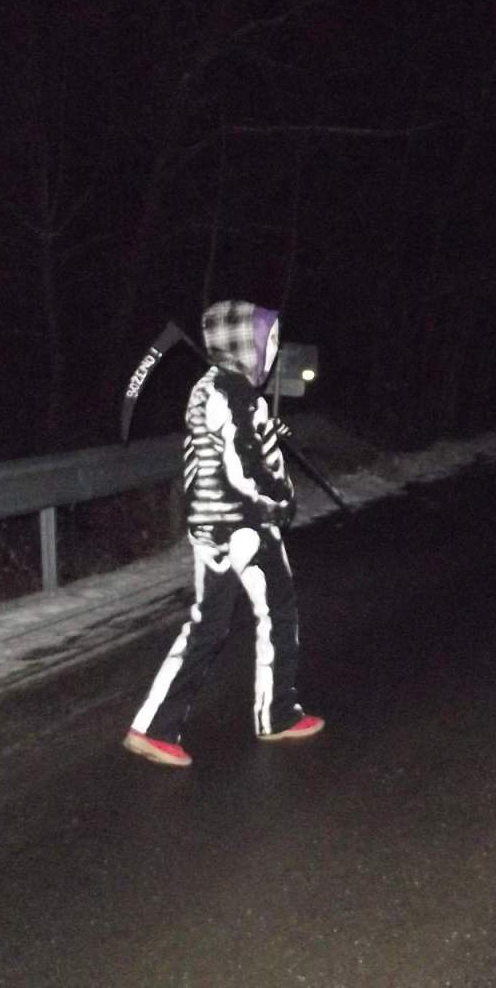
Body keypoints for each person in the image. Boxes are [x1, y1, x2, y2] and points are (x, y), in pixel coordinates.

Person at [123, 300, 324, 767]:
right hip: (245, 524)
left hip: (211, 526)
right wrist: (280, 497)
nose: (270, 352)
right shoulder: (235, 392)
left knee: (209, 624)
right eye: (266, 342)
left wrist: (263, 430)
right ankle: (276, 714)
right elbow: (243, 467)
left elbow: (210, 455)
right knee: (278, 612)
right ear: (244, 345)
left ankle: (153, 727)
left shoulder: (207, 388)